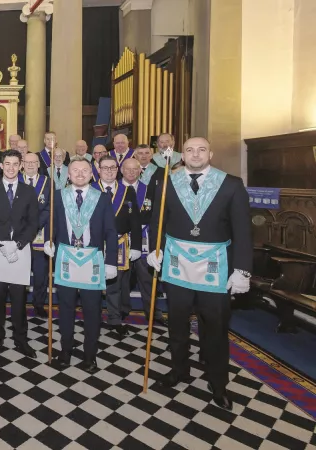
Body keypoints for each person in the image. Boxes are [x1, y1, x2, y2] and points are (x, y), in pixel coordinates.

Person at [147, 137, 251, 411]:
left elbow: (243, 230)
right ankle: (179, 369)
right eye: (190, 150)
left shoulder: (231, 184)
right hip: (177, 264)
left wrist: (242, 269)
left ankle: (218, 384)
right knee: (177, 324)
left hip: (215, 268)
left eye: (201, 149)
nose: (195, 154)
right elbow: (158, 219)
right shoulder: (169, 181)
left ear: (210, 154)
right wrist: (154, 250)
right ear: (183, 154)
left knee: (215, 328)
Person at [45, 155, 118, 372]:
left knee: (92, 310)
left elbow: (111, 231)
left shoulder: (101, 198)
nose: (79, 174)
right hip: (66, 258)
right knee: (65, 309)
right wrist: (49, 241)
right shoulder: (58, 196)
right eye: (75, 170)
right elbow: (52, 223)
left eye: (84, 171)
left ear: (91, 173)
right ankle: (65, 351)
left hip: (92, 260)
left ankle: (90, 356)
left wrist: (111, 261)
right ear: (68, 174)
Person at [0, 150, 40, 358]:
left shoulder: (29, 192)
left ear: (21, 166)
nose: (11, 168)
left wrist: (18, 244)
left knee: (18, 298)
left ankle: (20, 339)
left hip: (21, 250)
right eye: (8, 164)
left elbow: (33, 223)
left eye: (16, 164)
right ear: (1, 165)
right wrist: (3, 245)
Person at [93, 156, 142, 337]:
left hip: (120, 243)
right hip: (95, 244)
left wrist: (136, 245)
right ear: (98, 170)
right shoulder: (90, 189)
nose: (109, 171)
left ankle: (114, 318)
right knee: (94, 283)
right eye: (105, 168)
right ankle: (93, 316)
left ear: (117, 169)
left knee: (116, 284)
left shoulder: (127, 191)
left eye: (112, 167)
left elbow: (135, 221)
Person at [121, 157, 167, 327]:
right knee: (122, 280)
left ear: (141, 171)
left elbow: (155, 216)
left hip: (145, 240)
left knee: (147, 279)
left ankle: (153, 313)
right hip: (122, 241)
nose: (131, 172)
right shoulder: (115, 189)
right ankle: (122, 309)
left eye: (135, 169)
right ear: (122, 170)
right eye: (128, 169)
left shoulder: (149, 190)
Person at [20, 152, 52, 319]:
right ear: (22, 164)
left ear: (39, 164)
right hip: (19, 235)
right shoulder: (16, 180)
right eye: (27, 162)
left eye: (34, 162)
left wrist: (34, 226)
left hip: (40, 234)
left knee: (40, 274)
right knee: (19, 273)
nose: (31, 165)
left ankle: (39, 304)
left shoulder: (47, 182)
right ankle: (19, 303)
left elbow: (49, 208)